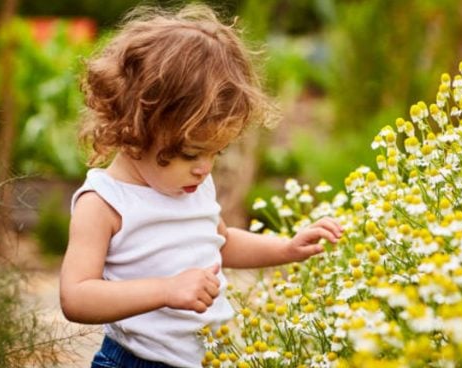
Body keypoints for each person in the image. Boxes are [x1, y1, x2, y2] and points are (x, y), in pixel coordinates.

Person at [59, 4, 343, 368]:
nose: (204, 168)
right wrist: (166, 290)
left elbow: (220, 243)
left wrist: (285, 248)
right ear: (135, 127)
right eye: (191, 153)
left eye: (216, 152)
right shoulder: (104, 203)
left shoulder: (193, 185)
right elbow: (76, 296)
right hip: (136, 362)